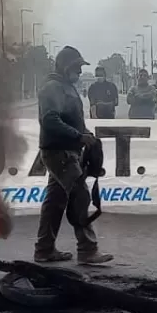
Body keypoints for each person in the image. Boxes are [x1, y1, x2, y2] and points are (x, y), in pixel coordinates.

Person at [36, 46, 112, 265]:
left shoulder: (65, 87)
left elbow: (72, 118)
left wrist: (85, 134)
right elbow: (50, 120)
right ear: (64, 65)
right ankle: (87, 249)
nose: (79, 71)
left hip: (65, 150)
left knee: (55, 202)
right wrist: (78, 136)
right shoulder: (53, 88)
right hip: (59, 152)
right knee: (80, 197)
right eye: (77, 66)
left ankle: (44, 249)